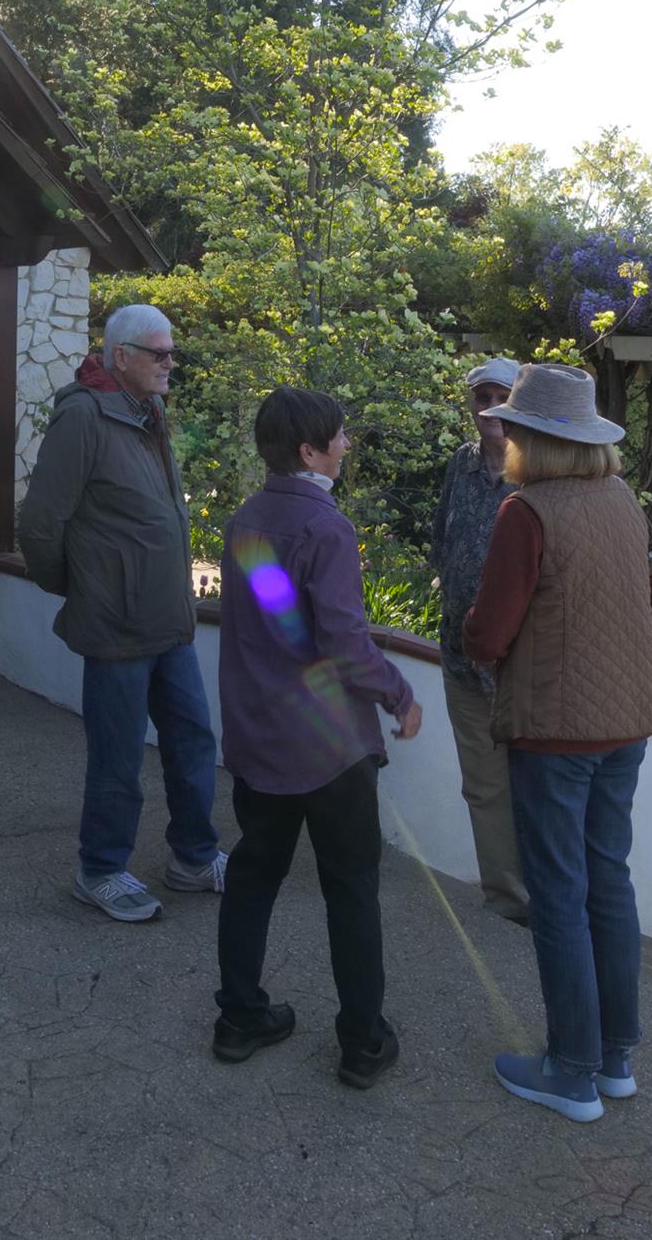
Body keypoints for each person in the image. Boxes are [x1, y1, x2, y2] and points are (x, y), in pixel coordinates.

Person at [464, 363, 652, 1124]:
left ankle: (571, 1073)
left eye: (513, 426)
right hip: (625, 722)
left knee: (558, 894)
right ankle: (613, 1059)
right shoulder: (621, 498)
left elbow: (489, 633)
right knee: (607, 882)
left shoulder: (527, 512)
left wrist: (470, 633)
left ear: (532, 438)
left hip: (554, 731)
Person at [213, 387, 422, 1089]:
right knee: (351, 890)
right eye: (338, 436)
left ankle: (240, 1017)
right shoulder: (325, 529)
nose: (346, 445)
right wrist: (399, 695)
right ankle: (362, 1043)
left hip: (259, 739)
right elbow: (341, 643)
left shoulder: (246, 519)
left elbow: (281, 627)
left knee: (252, 878)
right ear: (309, 451)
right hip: (329, 749)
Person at [18, 303, 225, 922]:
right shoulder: (84, 415)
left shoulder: (147, 410)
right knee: (119, 757)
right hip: (116, 624)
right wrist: (85, 588)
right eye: (158, 353)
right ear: (121, 356)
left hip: (168, 618)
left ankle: (194, 858)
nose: (170, 363)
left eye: (171, 352)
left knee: (192, 741)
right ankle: (101, 870)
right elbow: (40, 523)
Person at [431, 356, 530, 923]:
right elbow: (441, 538)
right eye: (481, 397)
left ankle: (549, 894)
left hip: (523, 664)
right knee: (484, 787)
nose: (490, 408)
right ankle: (509, 902)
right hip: (463, 661)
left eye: (501, 397)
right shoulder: (460, 465)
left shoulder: (537, 473)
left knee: (536, 784)